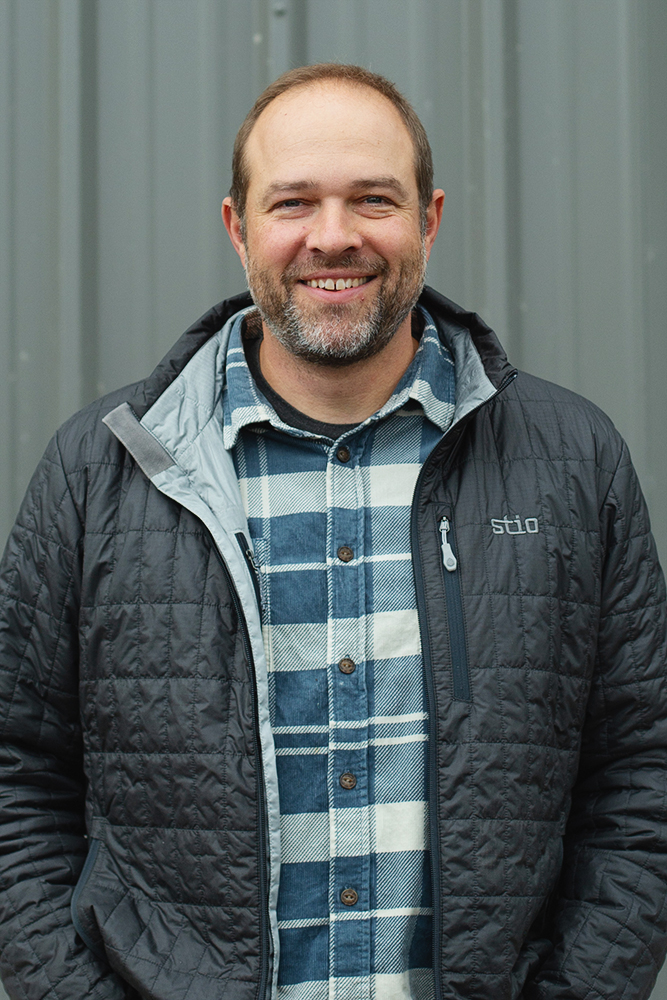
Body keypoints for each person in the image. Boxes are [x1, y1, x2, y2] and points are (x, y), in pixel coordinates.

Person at [0, 62, 666, 1000]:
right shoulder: (98, 471)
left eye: (373, 199)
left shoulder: (572, 461)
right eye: (292, 202)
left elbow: (639, 772)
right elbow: (19, 774)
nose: (332, 236)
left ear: (428, 219)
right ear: (237, 227)